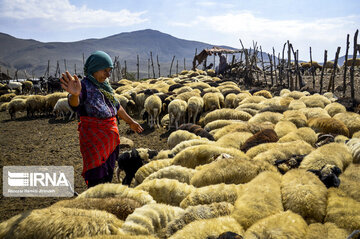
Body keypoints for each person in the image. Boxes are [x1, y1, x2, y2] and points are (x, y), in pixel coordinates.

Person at [60, 50, 143, 188]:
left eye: (109, 71)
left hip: (110, 143)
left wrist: (131, 122)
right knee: (96, 177)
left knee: (107, 175)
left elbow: (117, 107)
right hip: (94, 141)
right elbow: (75, 103)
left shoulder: (105, 87)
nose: (108, 74)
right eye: (105, 70)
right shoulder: (84, 86)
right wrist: (74, 95)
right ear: (94, 69)